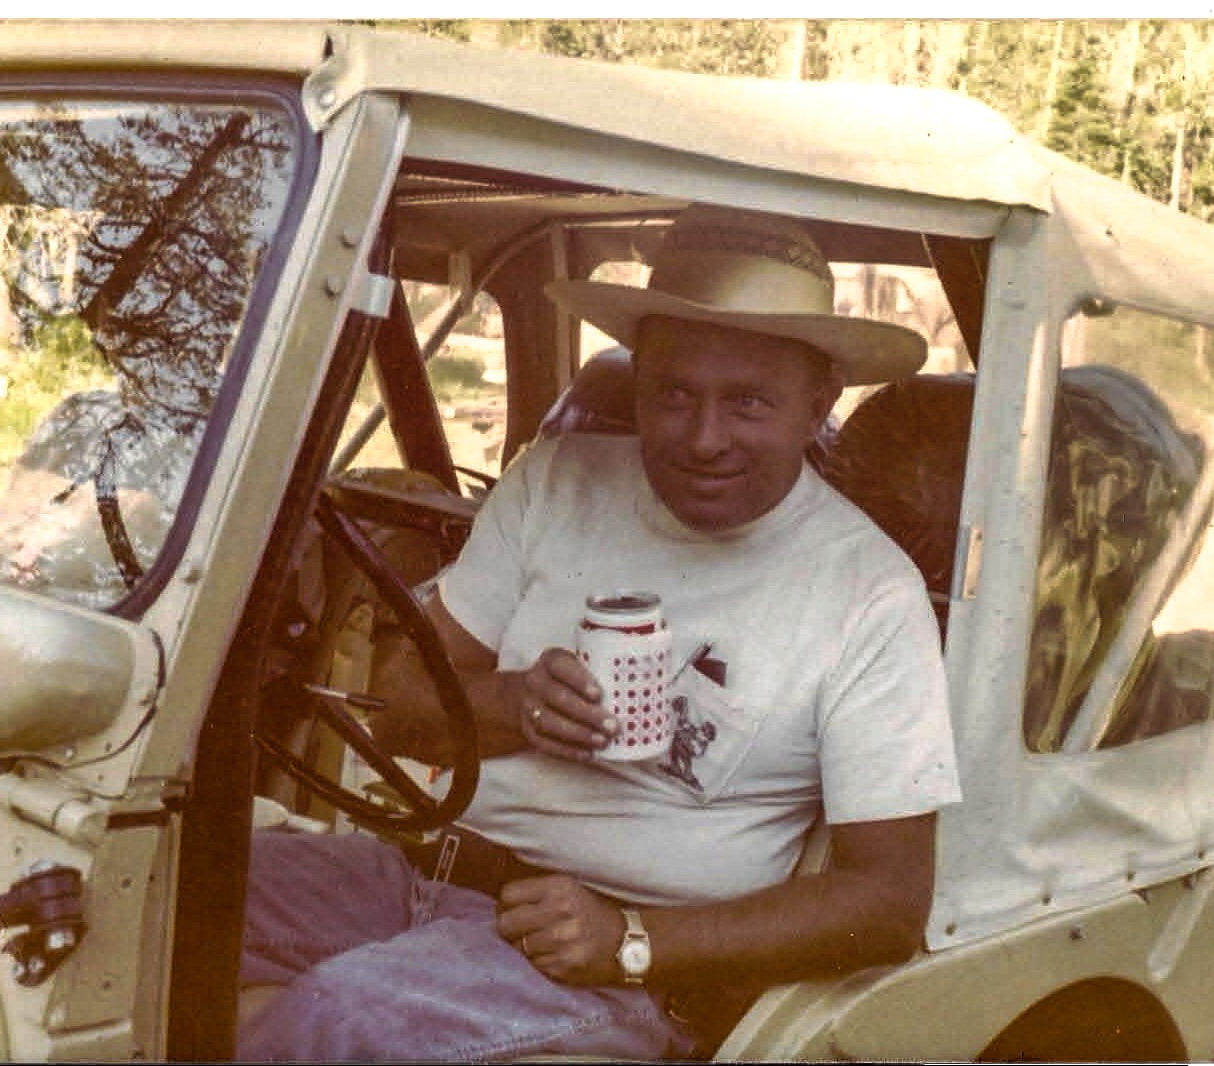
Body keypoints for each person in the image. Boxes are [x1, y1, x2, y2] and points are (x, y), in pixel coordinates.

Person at [238, 204, 962, 1061]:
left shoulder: (870, 593)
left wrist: (632, 939)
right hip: (426, 868)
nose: (704, 438)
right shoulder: (557, 478)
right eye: (674, 395)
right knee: (154, 883)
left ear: (818, 406)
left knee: (343, 1020)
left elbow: (886, 904)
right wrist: (515, 705)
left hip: (614, 957)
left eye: (748, 403)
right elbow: (397, 712)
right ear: (639, 378)